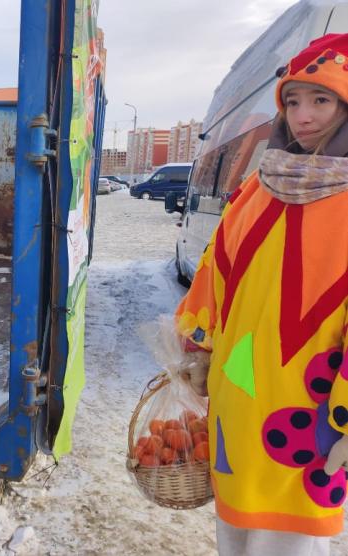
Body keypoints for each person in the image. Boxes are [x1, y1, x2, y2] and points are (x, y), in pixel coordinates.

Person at [175, 34, 348, 555]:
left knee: (287, 542)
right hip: (237, 401)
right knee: (234, 535)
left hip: (309, 418)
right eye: (292, 101)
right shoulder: (257, 188)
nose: (303, 116)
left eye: (321, 100)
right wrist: (199, 346)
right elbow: (216, 271)